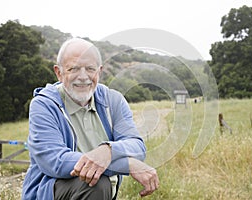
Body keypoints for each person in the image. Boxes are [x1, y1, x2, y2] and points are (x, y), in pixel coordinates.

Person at [22, 37, 159, 200]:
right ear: (59, 73)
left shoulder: (113, 101)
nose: (83, 76)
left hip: (98, 194)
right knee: (95, 183)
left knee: (98, 183)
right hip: (49, 193)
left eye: (90, 69)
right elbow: (55, 161)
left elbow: (137, 146)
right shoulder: (44, 105)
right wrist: (127, 164)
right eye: (73, 69)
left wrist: (107, 151)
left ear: (99, 71)